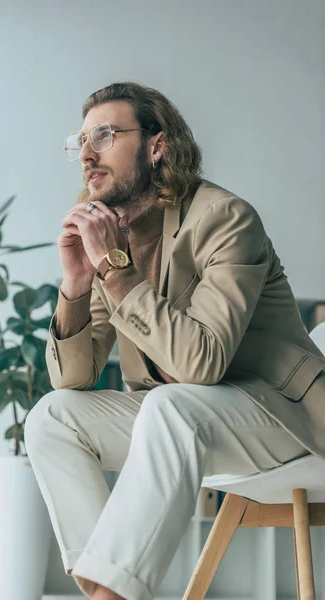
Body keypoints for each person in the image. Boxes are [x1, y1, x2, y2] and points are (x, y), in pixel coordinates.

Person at [24, 82, 325, 600]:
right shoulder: (109, 230)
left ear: (156, 146)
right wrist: (76, 284)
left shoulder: (225, 219)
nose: (87, 154)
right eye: (81, 140)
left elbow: (201, 363)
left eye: (105, 135)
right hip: (185, 420)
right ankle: (104, 590)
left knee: (171, 405)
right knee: (52, 417)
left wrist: (114, 270)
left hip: (283, 418)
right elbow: (73, 378)